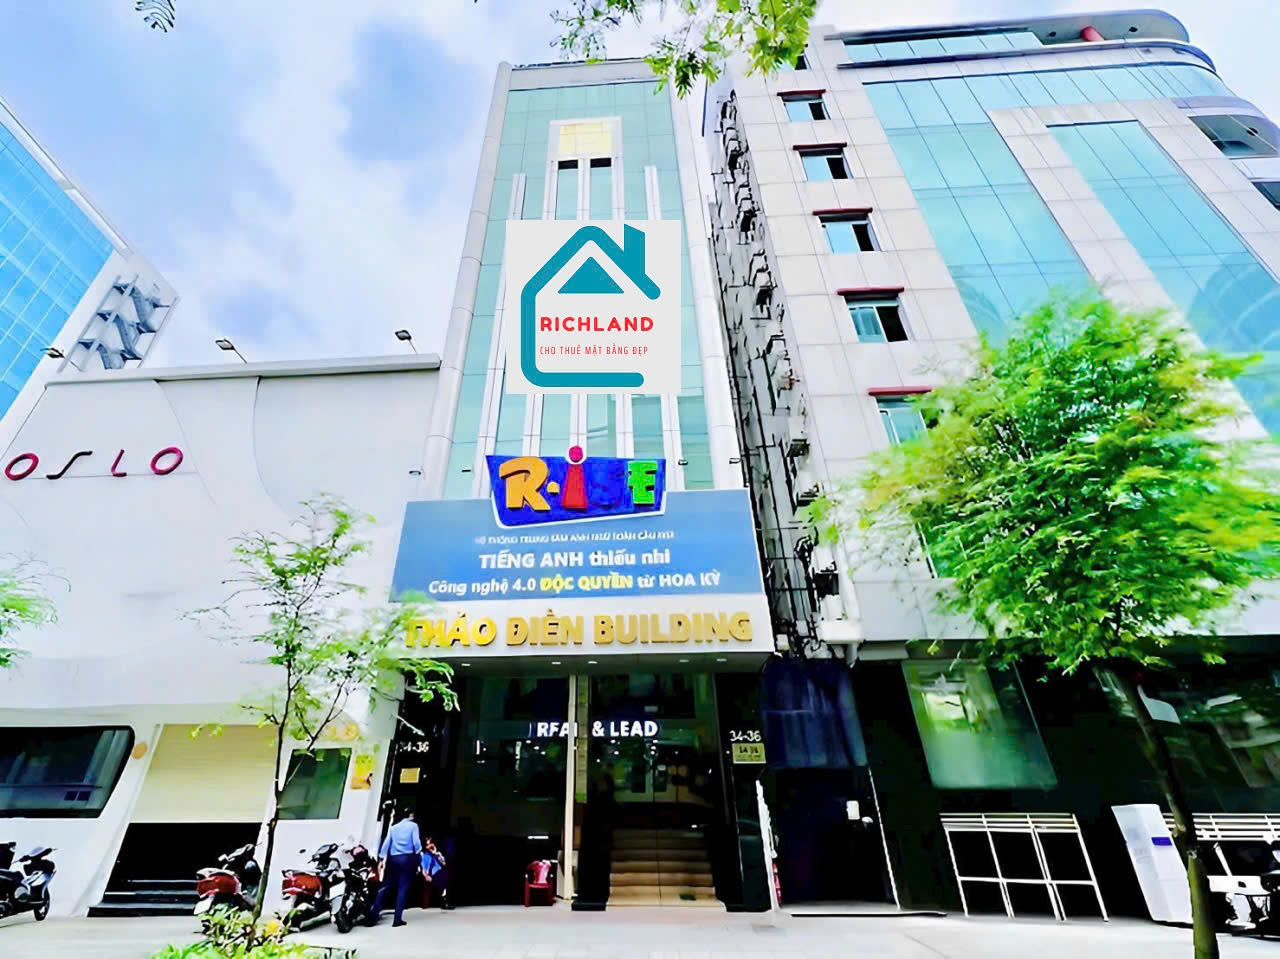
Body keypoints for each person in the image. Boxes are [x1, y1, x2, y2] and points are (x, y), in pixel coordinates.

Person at [371, 808, 422, 927]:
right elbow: (416, 843)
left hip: (393, 859)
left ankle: (373, 915)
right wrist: (419, 855)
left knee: (385, 886)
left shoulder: (394, 828)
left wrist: (381, 858)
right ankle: (397, 919)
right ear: (410, 815)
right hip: (407, 859)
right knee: (402, 888)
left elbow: (386, 843)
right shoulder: (413, 826)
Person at [420, 834, 453, 910]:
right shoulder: (424, 855)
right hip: (432, 874)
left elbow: (444, 863)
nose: (431, 845)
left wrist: (436, 854)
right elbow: (423, 868)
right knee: (444, 875)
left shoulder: (437, 854)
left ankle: (445, 899)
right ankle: (444, 900)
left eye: (431, 843)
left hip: (439, 873)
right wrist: (426, 876)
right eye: (428, 844)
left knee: (446, 874)